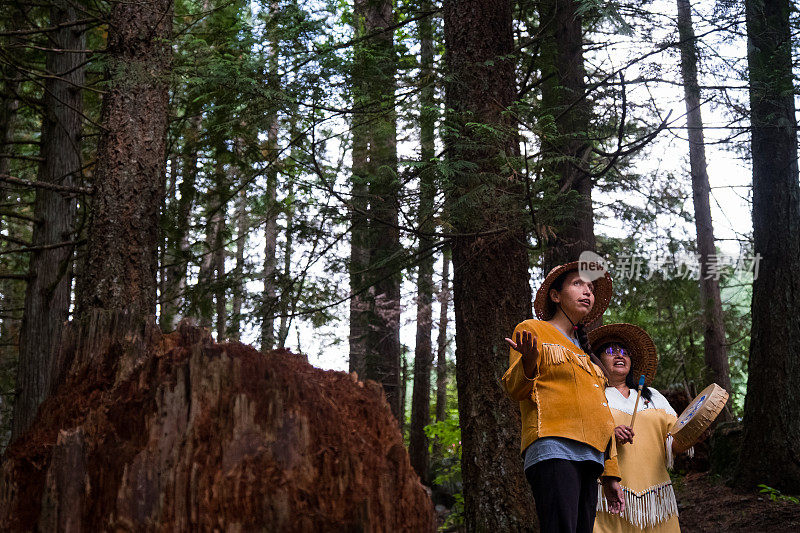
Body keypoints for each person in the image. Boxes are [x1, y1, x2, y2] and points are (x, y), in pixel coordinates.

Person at [502, 261, 625, 533]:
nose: (587, 292)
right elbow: (515, 389)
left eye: (591, 287)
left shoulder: (588, 356)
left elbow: (603, 413)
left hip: (592, 457)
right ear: (555, 296)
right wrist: (529, 363)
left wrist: (611, 473)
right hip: (553, 446)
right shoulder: (533, 329)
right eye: (578, 284)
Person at [589, 323, 687, 533]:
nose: (619, 355)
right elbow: (579, 436)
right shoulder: (592, 396)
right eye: (611, 350)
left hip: (657, 499)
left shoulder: (653, 397)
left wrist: (695, 431)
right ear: (596, 360)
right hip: (607, 496)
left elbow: (677, 442)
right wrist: (609, 434)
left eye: (625, 352)